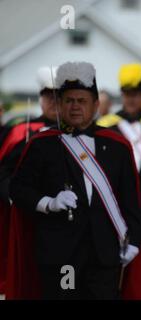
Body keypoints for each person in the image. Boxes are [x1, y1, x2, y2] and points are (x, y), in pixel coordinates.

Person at [8, 61, 141, 299]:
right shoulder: (42, 144)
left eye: (81, 101)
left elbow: (131, 200)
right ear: (60, 104)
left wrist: (134, 241)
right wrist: (48, 203)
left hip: (105, 254)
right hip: (60, 253)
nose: (75, 107)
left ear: (95, 105)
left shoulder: (117, 146)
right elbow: (18, 189)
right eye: (69, 100)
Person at [0, 66, 59, 294]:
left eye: (58, 95)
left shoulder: (78, 132)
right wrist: (16, 197)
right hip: (28, 217)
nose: (53, 101)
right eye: (48, 95)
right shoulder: (20, 132)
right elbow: (3, 173)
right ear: (40, 97)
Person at [97, 63, 141, 192]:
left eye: (135, 94)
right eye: (127, 94)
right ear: (122, 95)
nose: (131, 99)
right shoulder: (106, 125)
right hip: (117, 191)